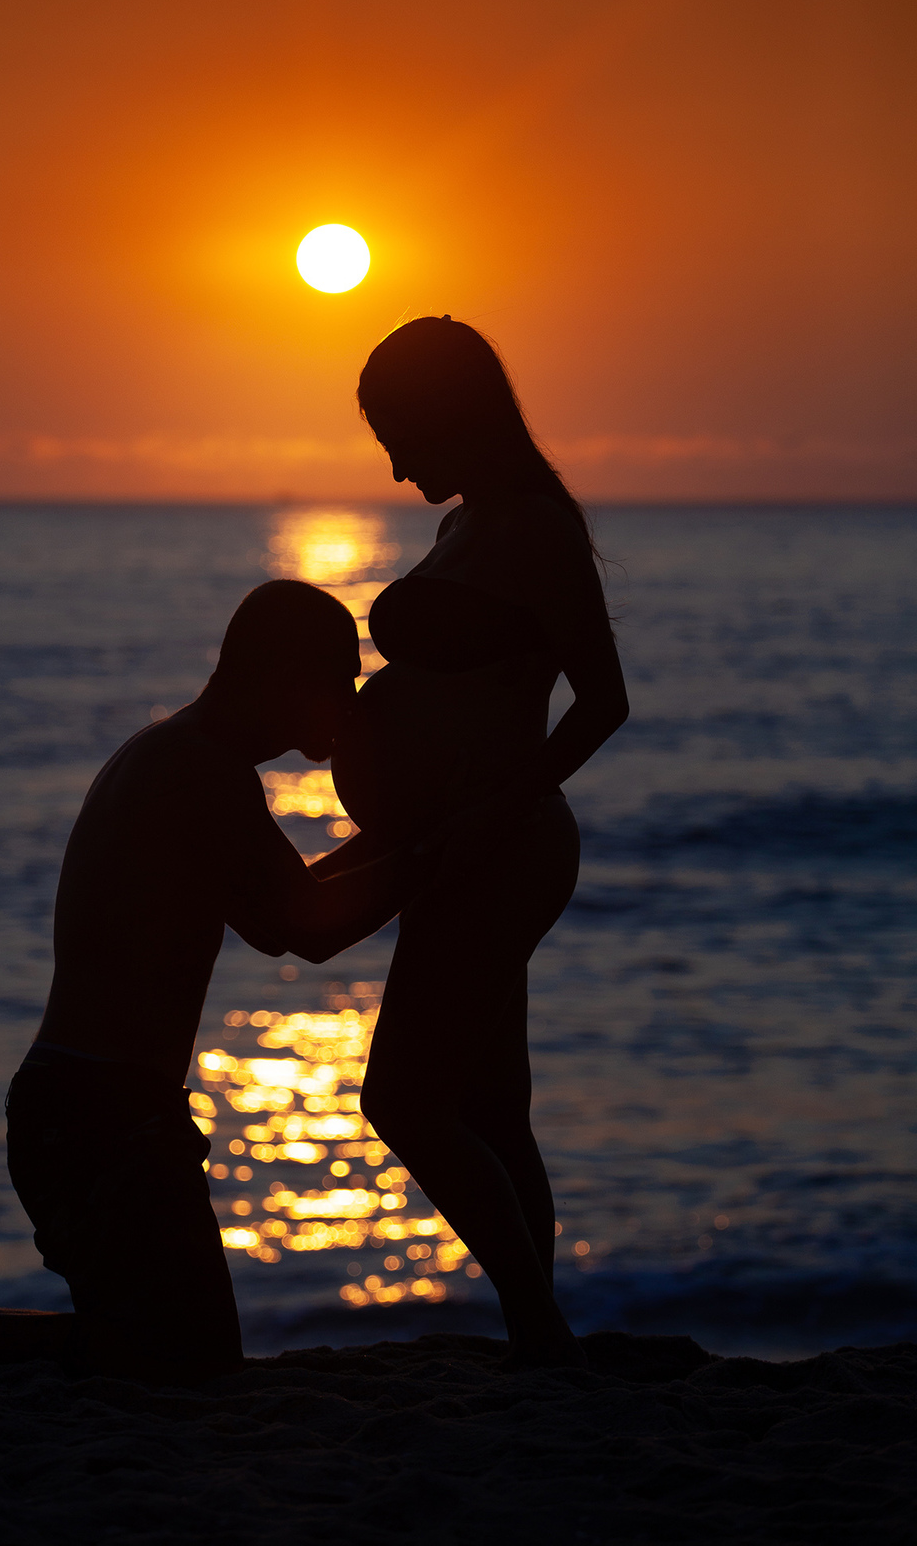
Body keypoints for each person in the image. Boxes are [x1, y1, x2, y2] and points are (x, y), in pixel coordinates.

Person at [0, 580, 428, 1388]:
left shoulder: (179, 755)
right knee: (187, 1365)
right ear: (286, 676)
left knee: (156, 1344)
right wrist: (439, 851)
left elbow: (277, 913)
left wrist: (403, 845)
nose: (349, 704)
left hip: (91, 1107)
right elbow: (309, 929)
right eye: (339, 680)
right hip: (102, 1116)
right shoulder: (200, 769)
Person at [330, 316, 629, 1369]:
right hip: (458, 849)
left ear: (452, 416)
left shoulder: (537, 529)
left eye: (401, 436)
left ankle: (539, 1332)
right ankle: (538, 1342)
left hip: (499, 852)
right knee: (495, 1114)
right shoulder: (467, 525)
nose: (395, 465)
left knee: (402, 1100)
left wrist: (490, 810)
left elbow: (603, 702)